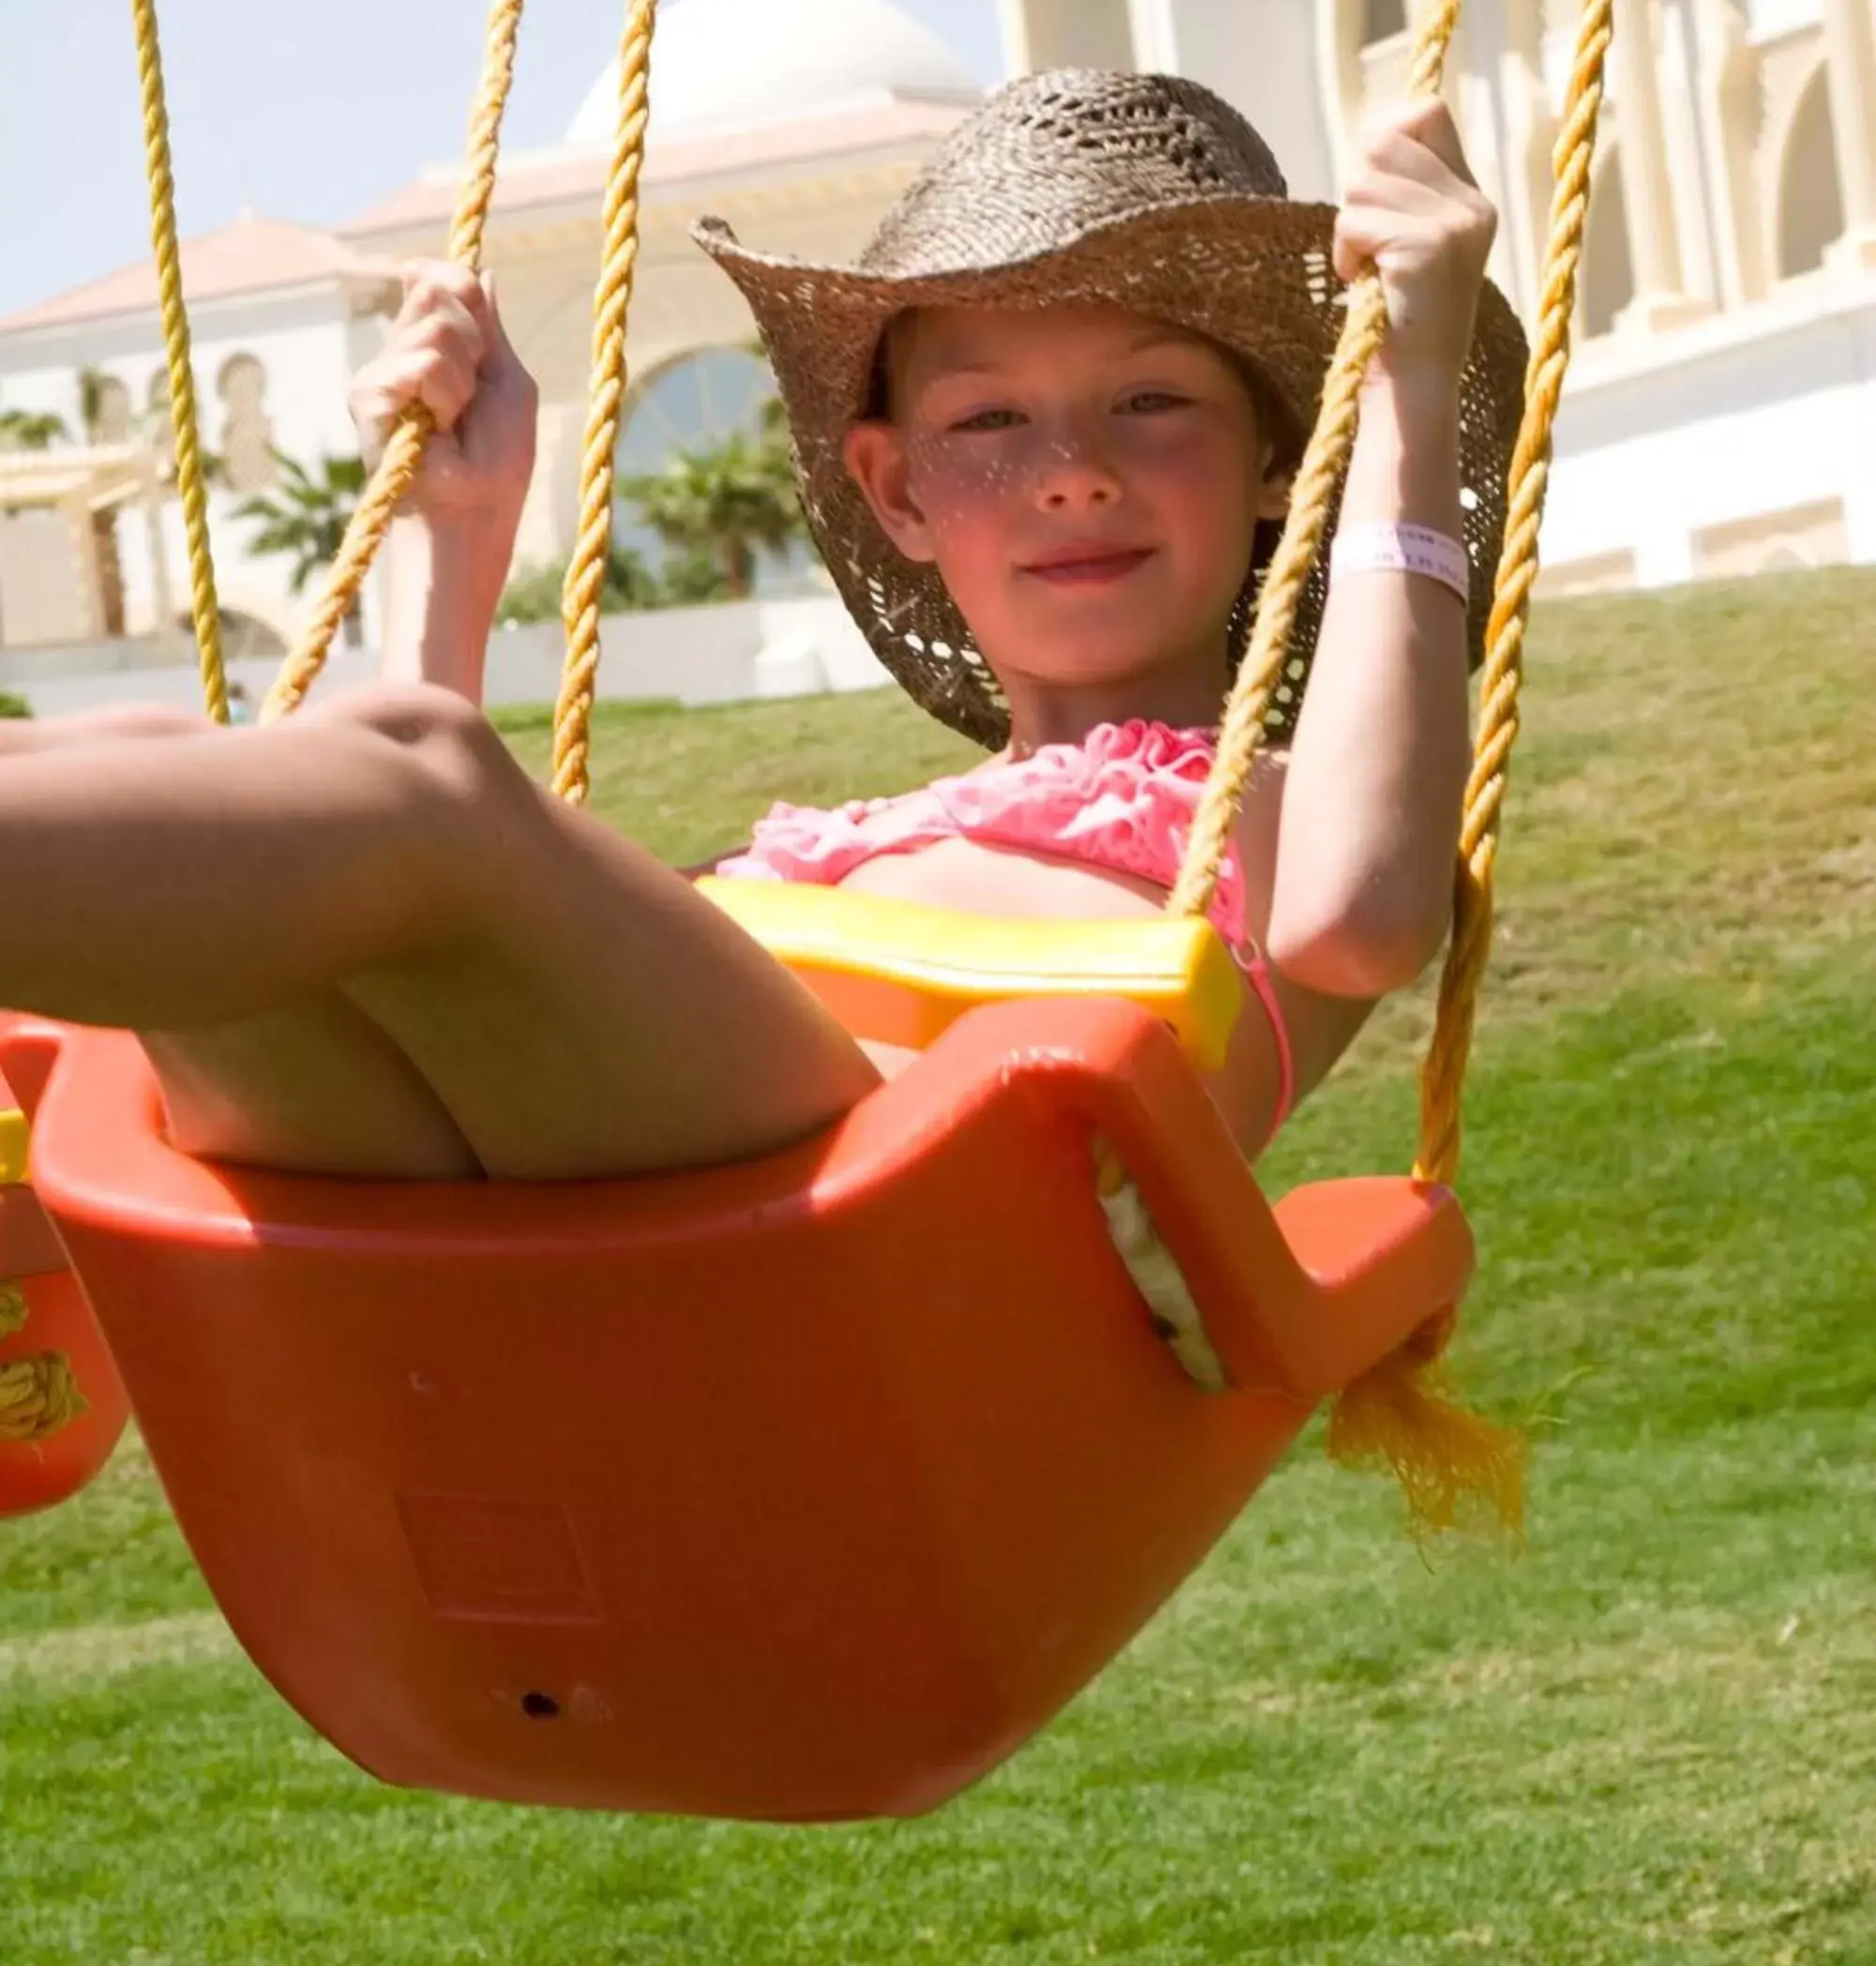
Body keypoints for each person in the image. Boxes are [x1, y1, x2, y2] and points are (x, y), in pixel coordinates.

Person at [0, 69, 1522, 1186]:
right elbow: (447, 967)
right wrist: (454, 548)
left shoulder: (1278, 818)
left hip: (851, 1246)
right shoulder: (861, 839)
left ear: (1285, 455)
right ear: (896, 489)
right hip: (531, 1227)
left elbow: (1367, 921)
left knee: (433, 791)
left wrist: (1407, 371)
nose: (1074, 476)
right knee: (194, 799)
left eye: (1151, 401)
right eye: (989, 419)